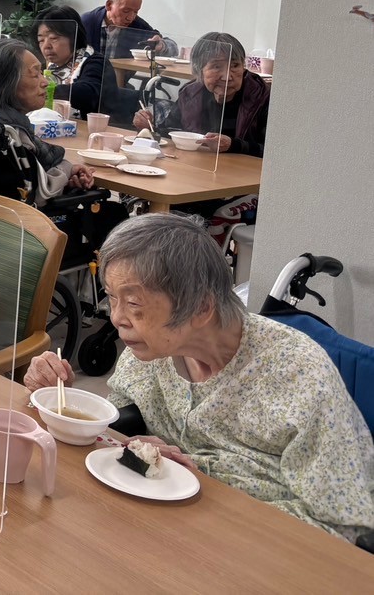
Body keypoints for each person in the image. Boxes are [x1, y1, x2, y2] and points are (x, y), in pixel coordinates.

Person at [23, 214, 374, 542]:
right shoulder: (150, 352)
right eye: (113, 299)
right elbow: (117, 424)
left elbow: (342, 523)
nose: (116, 318)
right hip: (159, 526)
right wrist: (58, 398)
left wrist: (208, 490)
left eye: (135, 306)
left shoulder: (298, 374)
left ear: (202, 308)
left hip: (255, 543)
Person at [0, 38, 95, 201]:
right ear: (5, 83)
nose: (45, 82)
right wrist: (68, 168)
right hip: (13, 219)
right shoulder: (9, 136)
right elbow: (42, 193)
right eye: (35, 74)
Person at [133, 31, 270, 156]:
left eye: (235, 66)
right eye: (217, 67)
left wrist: (234, 145)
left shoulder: (261, 97)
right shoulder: (191, 94)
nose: (227, 76)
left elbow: (274, 151)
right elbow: (172, 132)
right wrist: (150, 127)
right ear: (199, 70)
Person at [34, 5, 106, 118]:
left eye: (53, 38)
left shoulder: (95, 62)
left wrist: (46, 90)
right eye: (41, 40)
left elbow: (89, 93)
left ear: (73, 37)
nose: (46, 46)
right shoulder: (50, 66)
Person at [81, 0, 180, 59]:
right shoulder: (86, 22)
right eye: (125, 11)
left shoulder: (137, 25)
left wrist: (161, 45)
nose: (130, 18)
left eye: (136, 12)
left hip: (116, 82)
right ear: (109, 5)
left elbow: (173, 48)